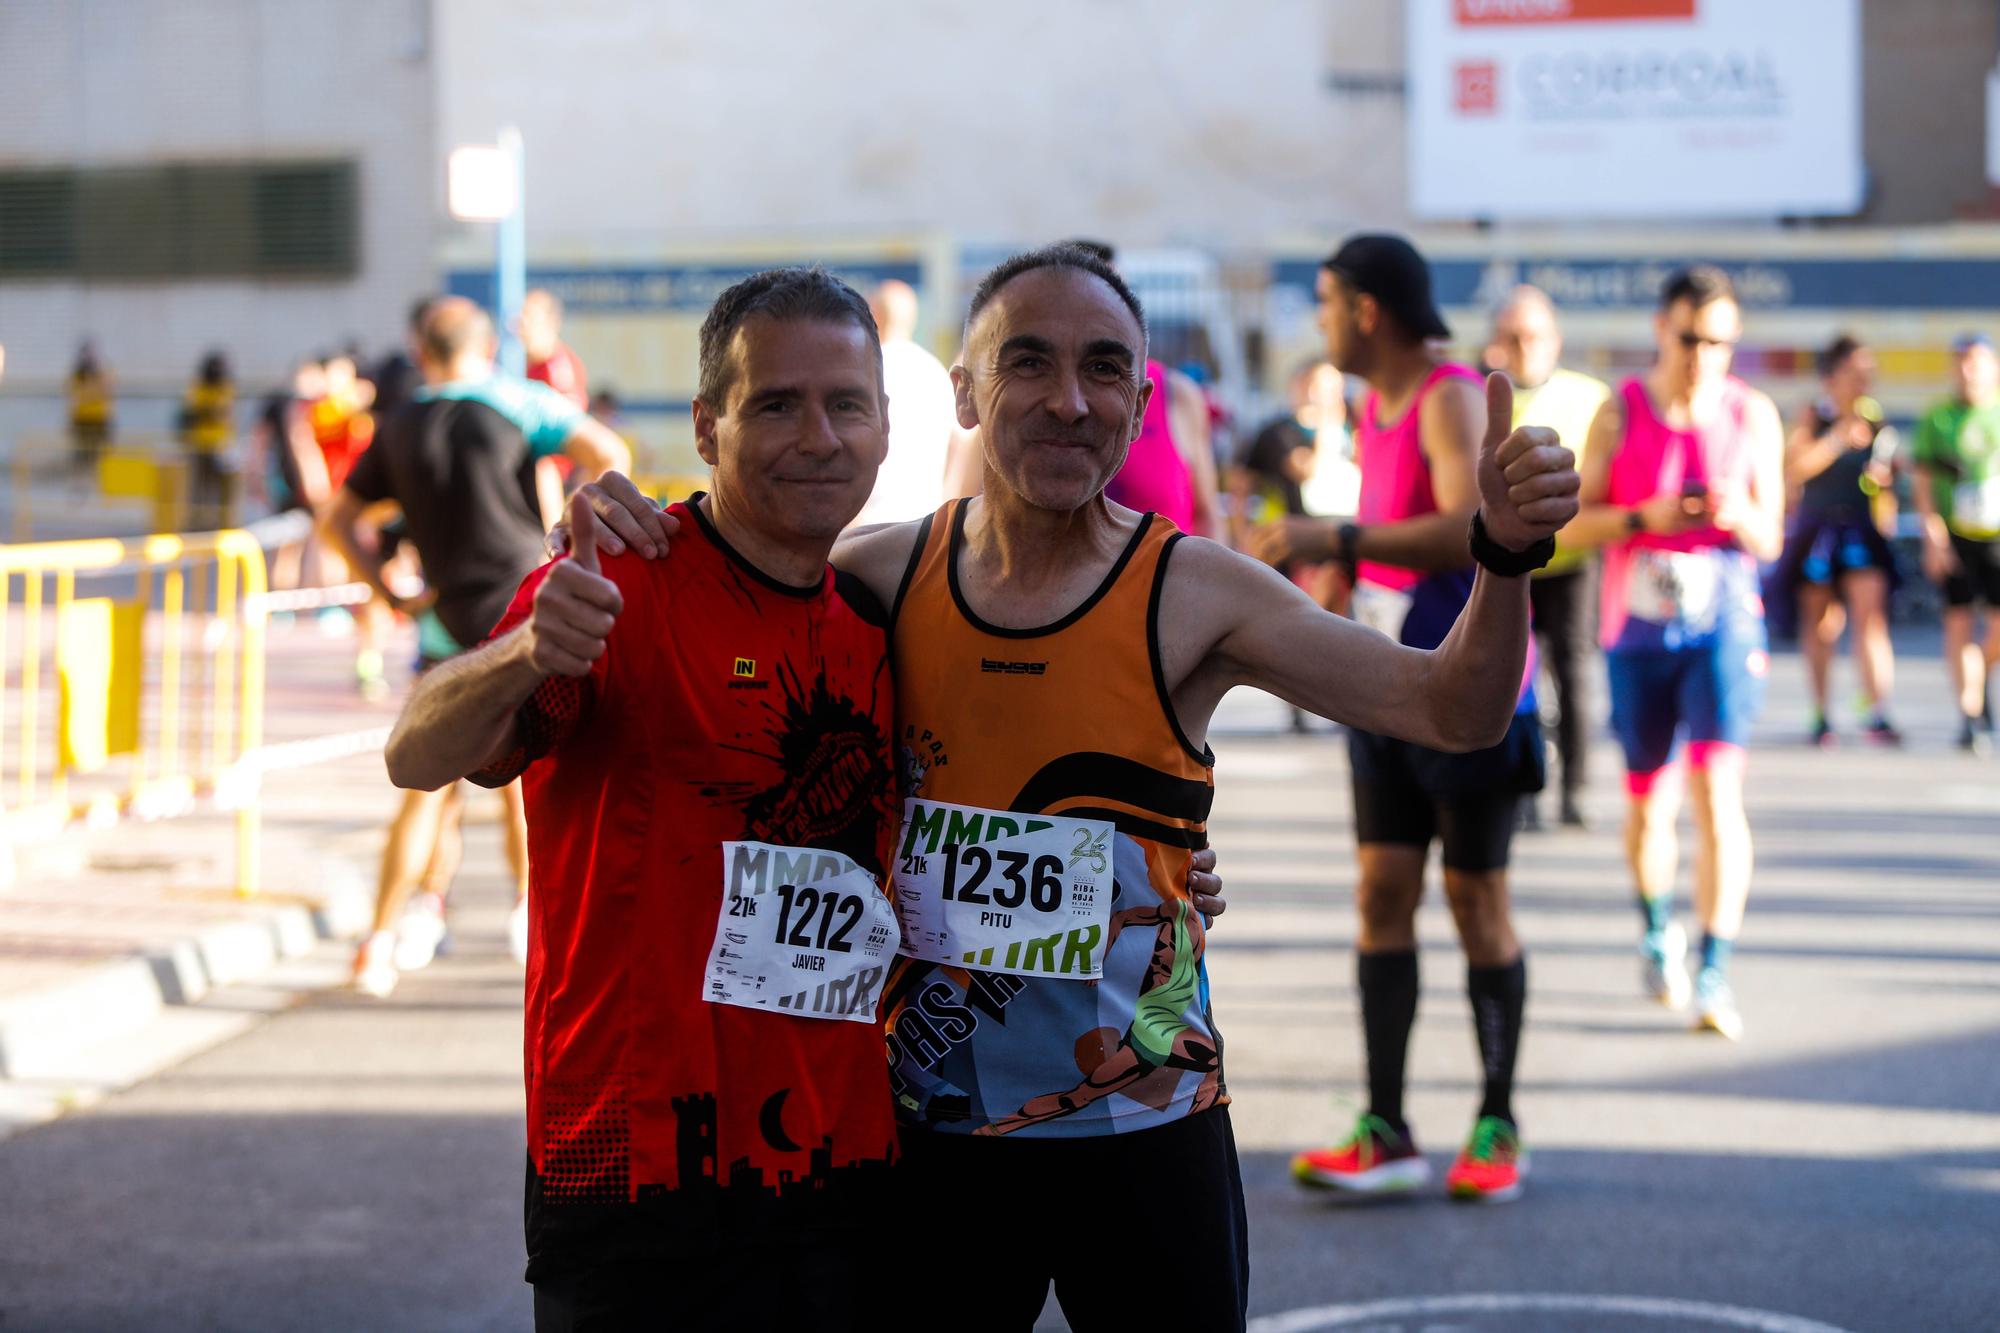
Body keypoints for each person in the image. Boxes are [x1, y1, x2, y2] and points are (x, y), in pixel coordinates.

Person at [563, 243, 1578, 1325]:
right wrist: (619, 524)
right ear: (965, 394)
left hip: (1148, 1133)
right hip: (935, 1137)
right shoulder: (876, 577)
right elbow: (725, 584)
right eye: (1029, 362)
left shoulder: (1195, 592)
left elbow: (1453, 710)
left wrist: (1504, 553)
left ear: (1140, 406)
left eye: (1103, 368)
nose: (1068, 400)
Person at [386, 268, 1229, 1329]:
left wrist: (1161, 864)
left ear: (887, 429)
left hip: (846, 1168)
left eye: (846, 406)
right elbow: (417, 754)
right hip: (640, 1172)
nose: (818, 438)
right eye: (776, 405)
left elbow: (956, 827)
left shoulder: (877, 620)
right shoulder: (624, 585)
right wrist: (521, 653)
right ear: (708, 426)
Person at [1250, 235, 1545, 1205]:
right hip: (1386, 691)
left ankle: (1497, 1122)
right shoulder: (1372, 407)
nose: (1321, 322)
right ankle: (1385, 1127)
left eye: (1327, 302)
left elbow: (1470, 525)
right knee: (1381, 894)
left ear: (1367, 309)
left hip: (1469, 697)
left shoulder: (1446, 395)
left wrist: (1332, 535)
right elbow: (1392, 556)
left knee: (1475, 904)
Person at [323, 297, 630, 1001]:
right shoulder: (519, 402)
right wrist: (573, 533)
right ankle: (530, 918)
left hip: (445, 628)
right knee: (523, 784)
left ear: (420, 351)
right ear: (488, 347)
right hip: (524, 621)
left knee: (426, 787)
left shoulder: (398, 425)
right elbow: (609, 453)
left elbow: (335, 518)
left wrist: (386, 590)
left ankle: (379, 939)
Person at [1563, 265, 1784, 1041]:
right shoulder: (1619, 412)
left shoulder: (1752, 414)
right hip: (1638, 633)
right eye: (1691, 338)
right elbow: (1573, 524)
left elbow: (1771, 536)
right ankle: (1659, 927)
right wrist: (1642, 518)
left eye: (1720, 342)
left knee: (1717, 794)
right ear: (1662, 329)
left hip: (1723, 626)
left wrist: (1738, 511)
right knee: (1648, 802)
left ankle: (1715, 967)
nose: (1703, 356)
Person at [1485, 285, 1611, 828]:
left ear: (1555, 339)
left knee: (1574, 674)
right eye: (1513, 337)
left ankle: (1575, 789)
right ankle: (1524, 788)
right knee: (1513, 677)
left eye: (1534, 336)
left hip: (1571, 559)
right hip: (1507, 560)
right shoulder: (1481, 396)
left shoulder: (1592, 397)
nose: (1525, 347)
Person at [1777, 334, 1902, 747]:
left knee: (1871, 619)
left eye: (1867, 371)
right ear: (1832, 376)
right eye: (1854, 371)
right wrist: (1836, 440)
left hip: (1861, 529)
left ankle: (1877, 710)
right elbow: (1794, 468)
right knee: (1822, 624)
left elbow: (1886, 484)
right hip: (1818, 530)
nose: (1863, 378)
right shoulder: (1814, 415)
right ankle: (1820, 712)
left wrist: (1886, 492)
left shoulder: (1876, 420)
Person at [1076, 241, 1226, 542]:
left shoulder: (1176, 394)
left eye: (1121, 297)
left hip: (1170, 572)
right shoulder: (1036, 403)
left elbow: (1208, 517)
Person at [1911, 331, 2000, 756]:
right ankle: (1970, 713)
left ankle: (1979, 678)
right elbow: (1923, 482)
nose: (1968, 371)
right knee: (1959, 620)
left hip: (1995, 535)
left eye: (1976, 362)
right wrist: (1934, 536)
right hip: (1956, 534)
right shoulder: (1938, 419)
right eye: (1961, 362)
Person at [852, 279, 962, 525]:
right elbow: (957, 445)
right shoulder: (935, 371)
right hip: (925, 520)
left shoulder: (866, 369)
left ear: (874, 315)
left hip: (867, 519)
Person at [180, 351, 237, 528]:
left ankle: (218, 522)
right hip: (199, 445)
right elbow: (192, 412)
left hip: (220, 446)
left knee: (218, 488)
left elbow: (223, 413)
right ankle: (196, 522)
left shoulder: (225, 388)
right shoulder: (198, 387)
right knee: (198, 487)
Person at [521, 288, 589, 409]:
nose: (523, 327)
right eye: (521, 320)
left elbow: (569, 416)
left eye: (531, 320)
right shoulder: (521, 362)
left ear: (551, 323)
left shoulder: (559, 370)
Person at [67, 341, 114, 470]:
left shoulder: (102, 373)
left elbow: (106, 390)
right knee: (82, 452)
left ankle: (99, 474)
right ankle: (83, 474)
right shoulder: (77, 375)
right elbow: (76, 396)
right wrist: (94, 392)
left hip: (99, 419)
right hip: (81, 419)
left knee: (101, 451)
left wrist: (89, 392)